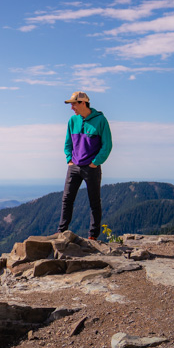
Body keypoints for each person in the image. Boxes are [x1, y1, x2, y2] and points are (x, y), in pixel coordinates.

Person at [57, 91, 113, 240]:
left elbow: (107, 145)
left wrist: (95, 163)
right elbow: (68, 143)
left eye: (74, 104)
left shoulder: (100, 120)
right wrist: (69, 159)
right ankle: (61, 231)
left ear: (83, 103)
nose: (72, 107)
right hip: (74, 166)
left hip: (91, 167)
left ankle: (93, 236)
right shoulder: (72, 121)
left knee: (94, 201)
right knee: (67, 199)